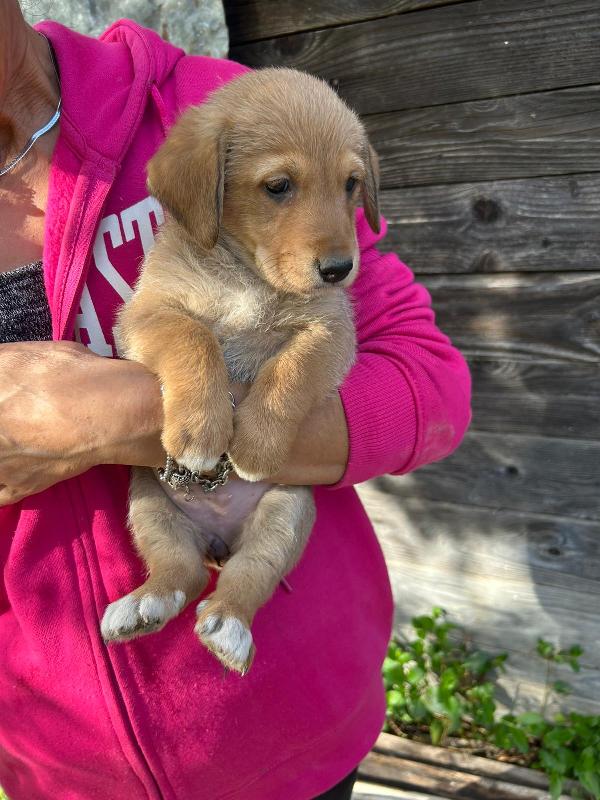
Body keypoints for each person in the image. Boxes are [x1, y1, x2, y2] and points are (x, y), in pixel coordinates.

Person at [0, 2, 472, 799]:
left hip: (296, 732)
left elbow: (431, 382)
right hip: (55, 762)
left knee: (274, 525)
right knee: (163, 526)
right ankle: (172, 579)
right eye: (280, 187)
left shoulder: (225, 107)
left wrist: (120, 417)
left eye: (349, 186)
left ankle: (234, 602)